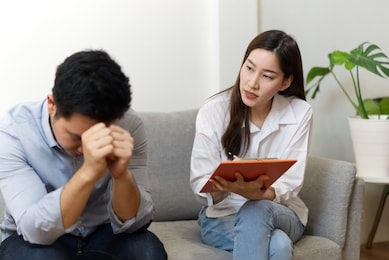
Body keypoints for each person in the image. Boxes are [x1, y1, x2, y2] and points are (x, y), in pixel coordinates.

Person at [0, 50, 167, 260]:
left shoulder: (129, 125)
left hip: (104, 232)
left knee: (147, 251)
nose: (86, 147)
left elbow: (136, 222)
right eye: (77, 136)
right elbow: (35, 230)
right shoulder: (15, 130)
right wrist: (88, 172)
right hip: (39, 239)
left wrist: (121, 175)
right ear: (52, 104)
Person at [190, 30, 312, 260]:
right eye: (249, 68)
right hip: (222, 216)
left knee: (257, 207)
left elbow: (292, 182)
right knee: (279, 246)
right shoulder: (213, 111)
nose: (252, 83)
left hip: (281, 212)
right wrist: (228, 186)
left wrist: (261, 193)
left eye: (267, 76)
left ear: (286, 81)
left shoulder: (300, 113)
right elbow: (200, 184)